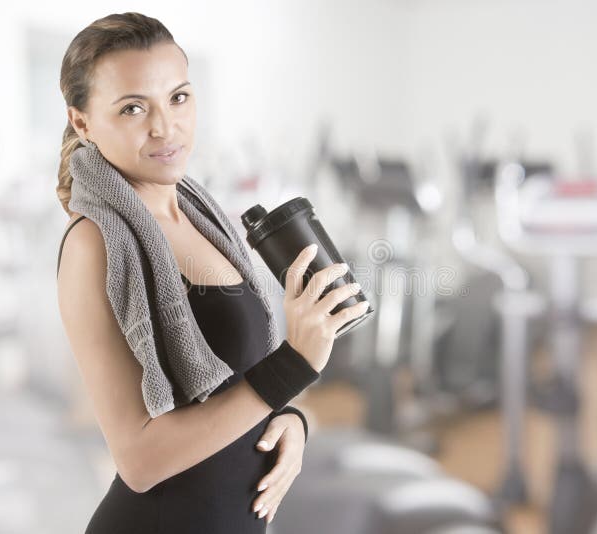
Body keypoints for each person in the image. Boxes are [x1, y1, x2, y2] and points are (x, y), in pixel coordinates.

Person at [54, 12, 369, 534]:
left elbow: (241, 379)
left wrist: (290, 420)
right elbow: (139, 461)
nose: (165, 127)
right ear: (83, 122)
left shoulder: (205, 215)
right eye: (133, 108)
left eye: (178, 98)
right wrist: (293, 366)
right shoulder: (93, 243)